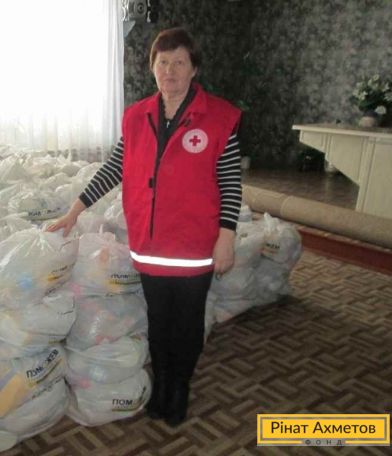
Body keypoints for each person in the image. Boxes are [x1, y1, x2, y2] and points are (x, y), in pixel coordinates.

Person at [47, 27, 242, 426]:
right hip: (150, 245)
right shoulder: (137, 117)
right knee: (159, 320)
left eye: (179, 62)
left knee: (186, 323)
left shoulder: (219, 118)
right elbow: (113, 168)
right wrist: (74, 211)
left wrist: (227, 236)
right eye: (163, 62)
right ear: (152, 67)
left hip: (193, 247)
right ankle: (163, 381)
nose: (170, 70)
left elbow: (230, 183)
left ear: (194, 69)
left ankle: (179, 387)